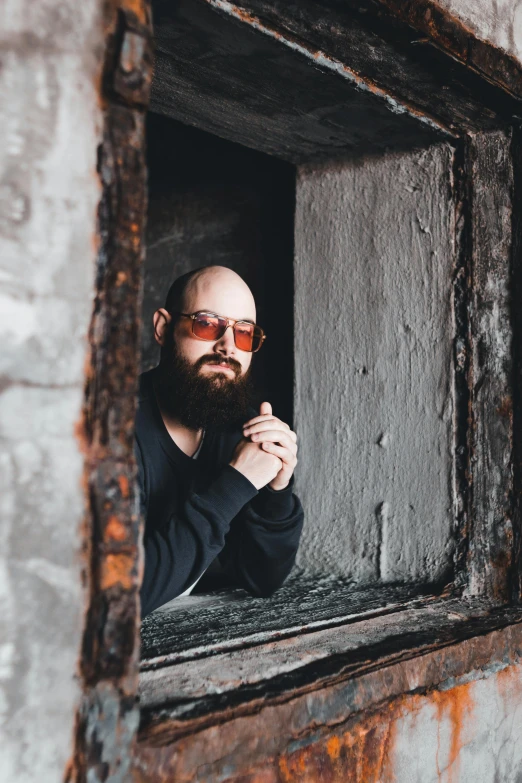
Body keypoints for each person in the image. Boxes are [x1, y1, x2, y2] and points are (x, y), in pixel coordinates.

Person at [136, 265, 304, 616]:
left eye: (244, 333)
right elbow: (120, 597)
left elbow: (262, 578)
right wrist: (236, 484)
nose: (227, 345)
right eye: (207, 323)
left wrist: (276, 489)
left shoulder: (238, 431)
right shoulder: (110, 428)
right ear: (163, 328)